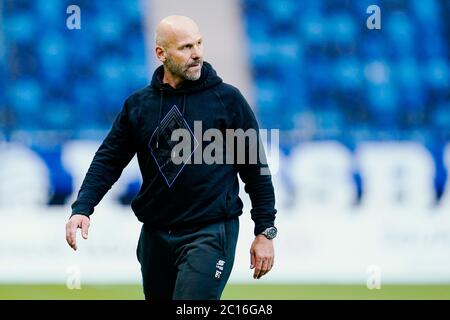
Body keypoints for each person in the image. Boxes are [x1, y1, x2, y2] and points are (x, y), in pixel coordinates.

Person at [65, 15, 277, 300]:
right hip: (155, 236)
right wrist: (83, 207)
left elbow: (256, 170)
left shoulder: (228, 100)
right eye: (186, 47)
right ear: (161, 54)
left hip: (210, 233)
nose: (197, 53)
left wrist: (265, 230)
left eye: (199, 43)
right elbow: (108, 159)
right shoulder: (139, 106)